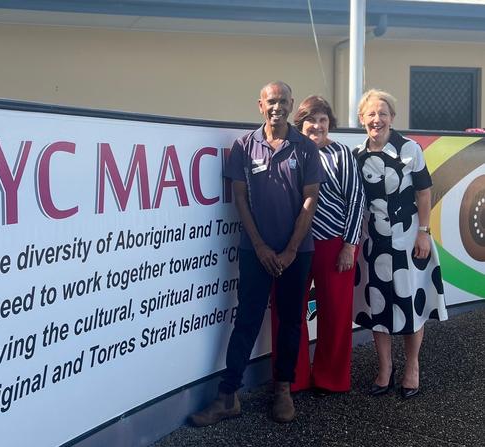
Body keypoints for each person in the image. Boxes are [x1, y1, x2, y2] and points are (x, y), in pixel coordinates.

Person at [189, 81, 325, 425]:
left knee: (290, 322)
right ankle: (228, 396)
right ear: (260, 106)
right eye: (270, 102)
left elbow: (311, 200)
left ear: (291, 104)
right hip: (255, 252)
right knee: (246, 321)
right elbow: (239, 199)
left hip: (297, 252)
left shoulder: (306, 149)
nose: (276, 107)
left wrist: (292, 248)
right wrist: (261, 246)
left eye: (282, 101)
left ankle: (282, 391)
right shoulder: (244, 146)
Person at [353, 89, 448, 399]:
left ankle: (412, 368)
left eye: (383, 113)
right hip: (374, 242)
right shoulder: (357, 155)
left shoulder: (410, 150)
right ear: (362, 119)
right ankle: (384, 369)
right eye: (371, 114)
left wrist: (424, 231)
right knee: (378, 305)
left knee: (410, 305)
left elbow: (423, 193)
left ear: (392, 117)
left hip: (408, 240)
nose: (377, 119)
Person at [271, 95, 365, 394]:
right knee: (288, 311)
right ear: (300, 123)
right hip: (294, 245)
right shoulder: (289, 153)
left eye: (323, 119)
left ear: (330, 124)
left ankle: (331, 378)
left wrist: (349, 246)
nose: (317, 125)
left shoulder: (342, 154)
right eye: (311, 120)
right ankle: (292, 377)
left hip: (334, 244)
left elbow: (356, 200)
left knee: (335, 314)